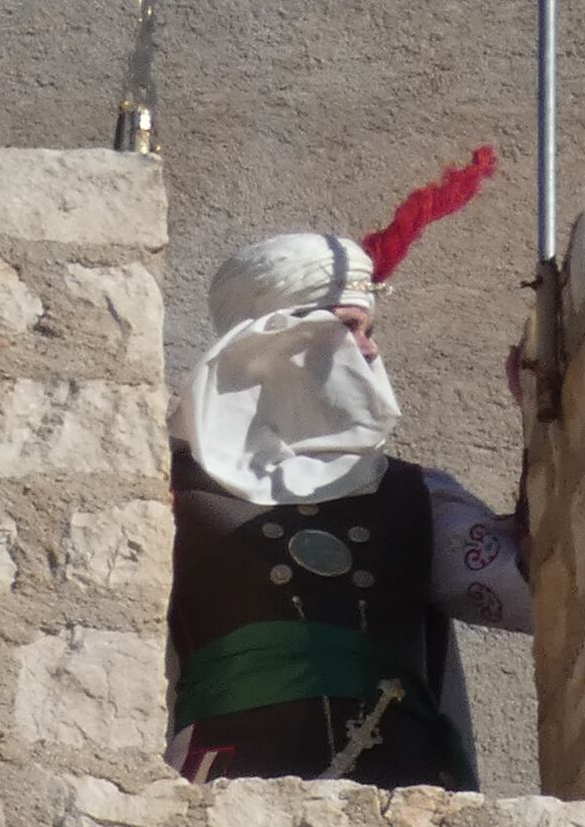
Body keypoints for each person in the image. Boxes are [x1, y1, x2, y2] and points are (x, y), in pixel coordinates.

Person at [170, 152, 534, 789]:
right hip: (221, 807)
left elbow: (531, 595)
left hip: (407, 799)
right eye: (348, 327)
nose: (368, 348)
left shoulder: (415, 496)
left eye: (369, 329)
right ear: (269, 339)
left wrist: (544, 432)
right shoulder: (163, 486)